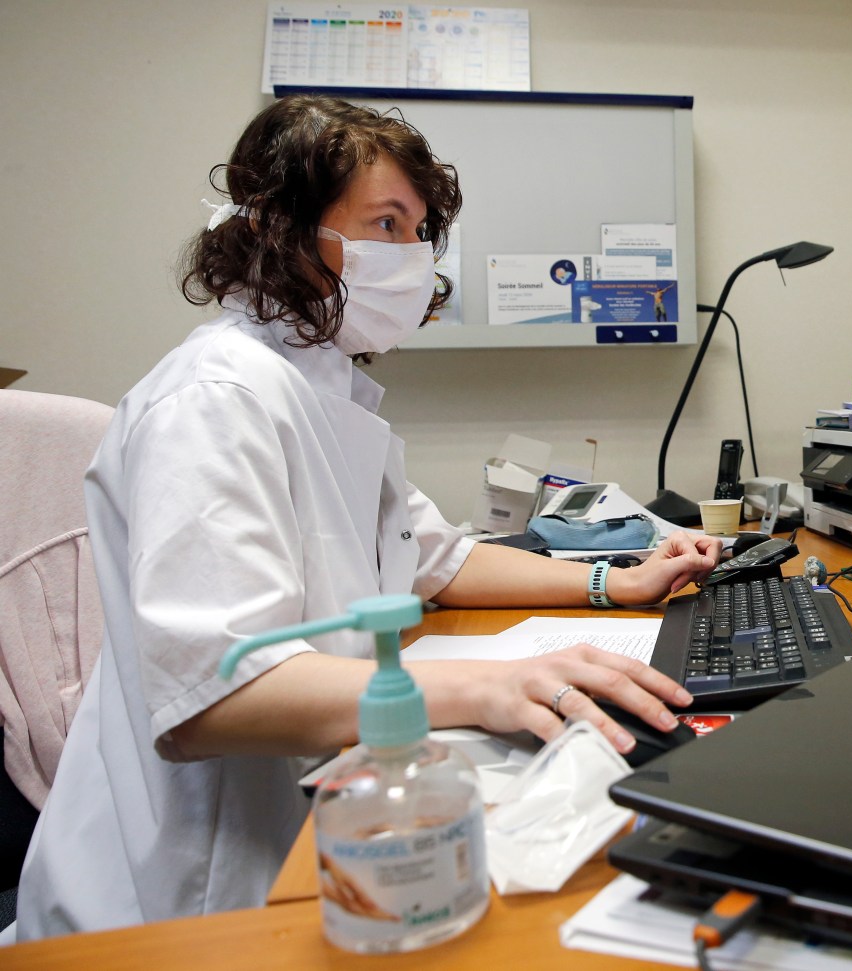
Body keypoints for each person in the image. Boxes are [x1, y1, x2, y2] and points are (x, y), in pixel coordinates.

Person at [14, 95, 721, 940]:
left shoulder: (325, 389)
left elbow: (438, 559)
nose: (413, 257)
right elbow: (216, 696)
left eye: (420, 232)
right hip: (178, 900)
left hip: (320, 816)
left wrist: (612, 580)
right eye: (387, 224)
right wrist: (488, 687)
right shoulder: (214, 398)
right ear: (283, 226)